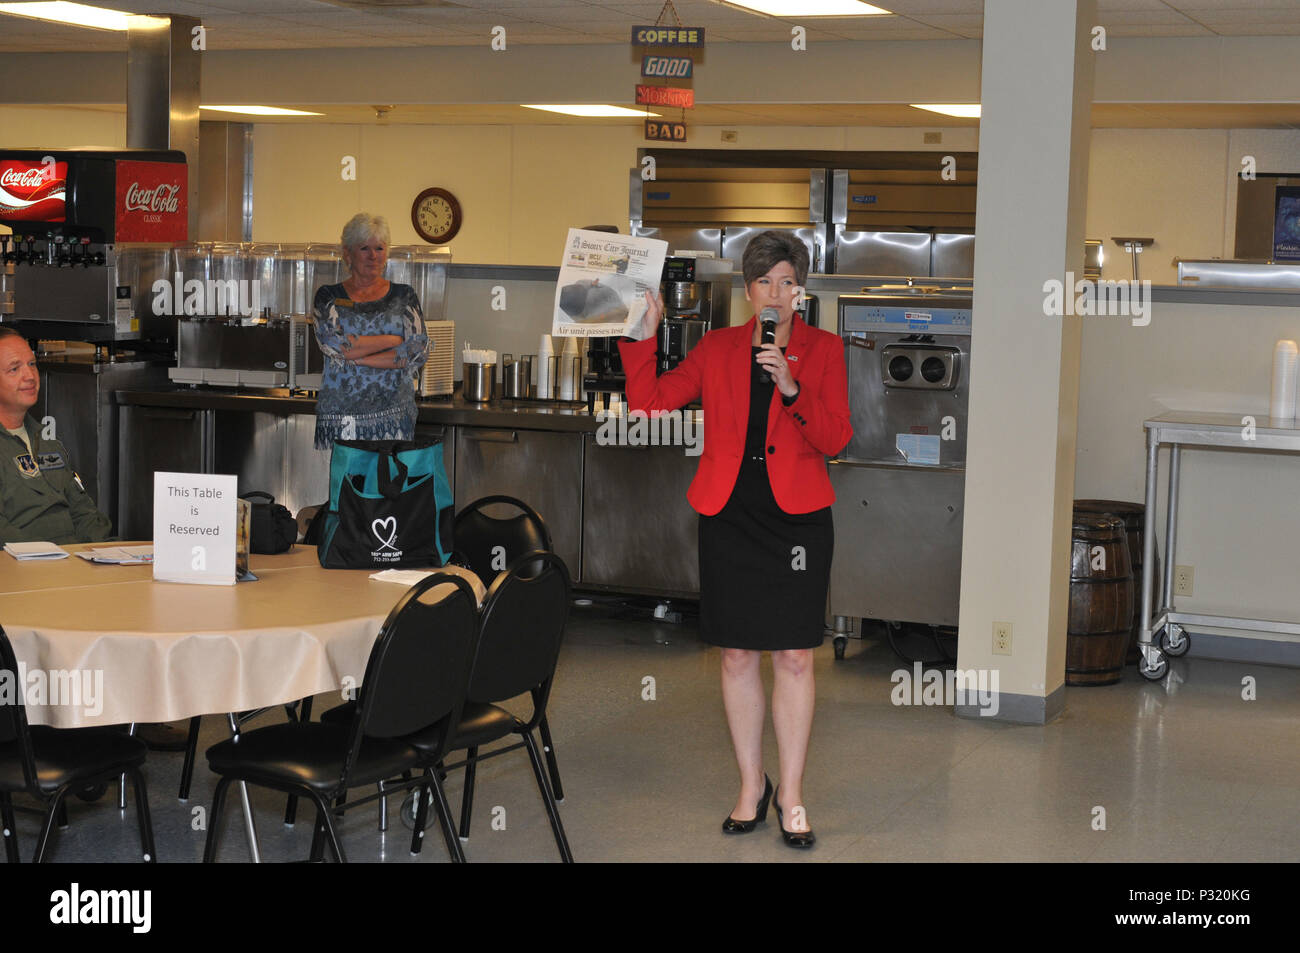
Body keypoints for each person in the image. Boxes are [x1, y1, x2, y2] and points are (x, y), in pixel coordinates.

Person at [619, 231, 851, 848]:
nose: (776, 293)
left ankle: (793, 795)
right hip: (728, 512)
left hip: (797, 518)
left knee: (796, 657)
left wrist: (791, 388)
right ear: (747, 290)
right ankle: (753, 786)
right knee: (737, 655)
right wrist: (642, 335)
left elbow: (836, 439)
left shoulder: (824, 350)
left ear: (800, 291)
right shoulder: (717, 348)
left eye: (787, 282)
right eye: (764, 282)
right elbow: (648, 405)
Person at [312, 213, 429, 449]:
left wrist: (359, 356)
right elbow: (336, 346)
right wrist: (393, 339)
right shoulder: (328, 296)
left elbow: (416, 352)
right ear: (348, 254)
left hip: (393, 418)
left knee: (388, 485)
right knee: (346, 485)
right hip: (342, 418)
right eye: (364, 248)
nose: (373, 256)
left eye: (379, 248)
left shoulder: (404, 295)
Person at [0, 327, 112, 544]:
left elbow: (83, 512)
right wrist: (49, 562)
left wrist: (104, 552)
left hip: (70, 566)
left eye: (32, 364)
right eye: (14, 369)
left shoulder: (46, 441)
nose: (29, 376)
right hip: (24, 570)